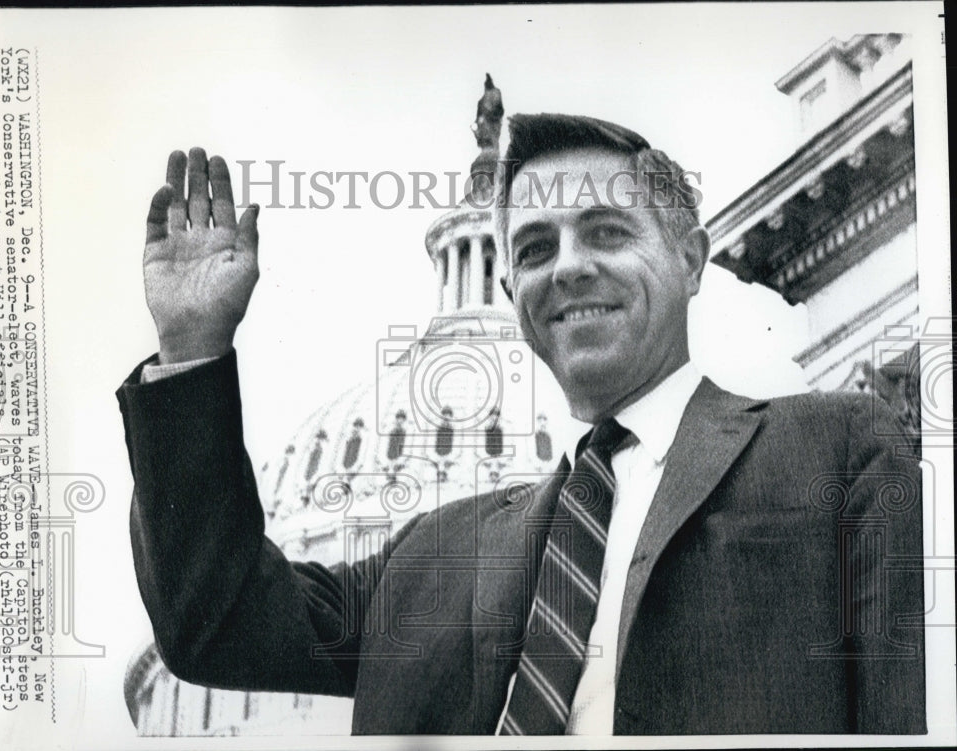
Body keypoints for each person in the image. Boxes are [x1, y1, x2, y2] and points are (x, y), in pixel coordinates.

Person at [118, 115, 925, 735]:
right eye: (536, 247)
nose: (569, 265)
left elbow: (902, 713)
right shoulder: (433, 554)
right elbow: (216, 624)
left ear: (690, 257)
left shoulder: (832, 447)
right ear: (514, 293)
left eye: (607, 231)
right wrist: (192, 353)